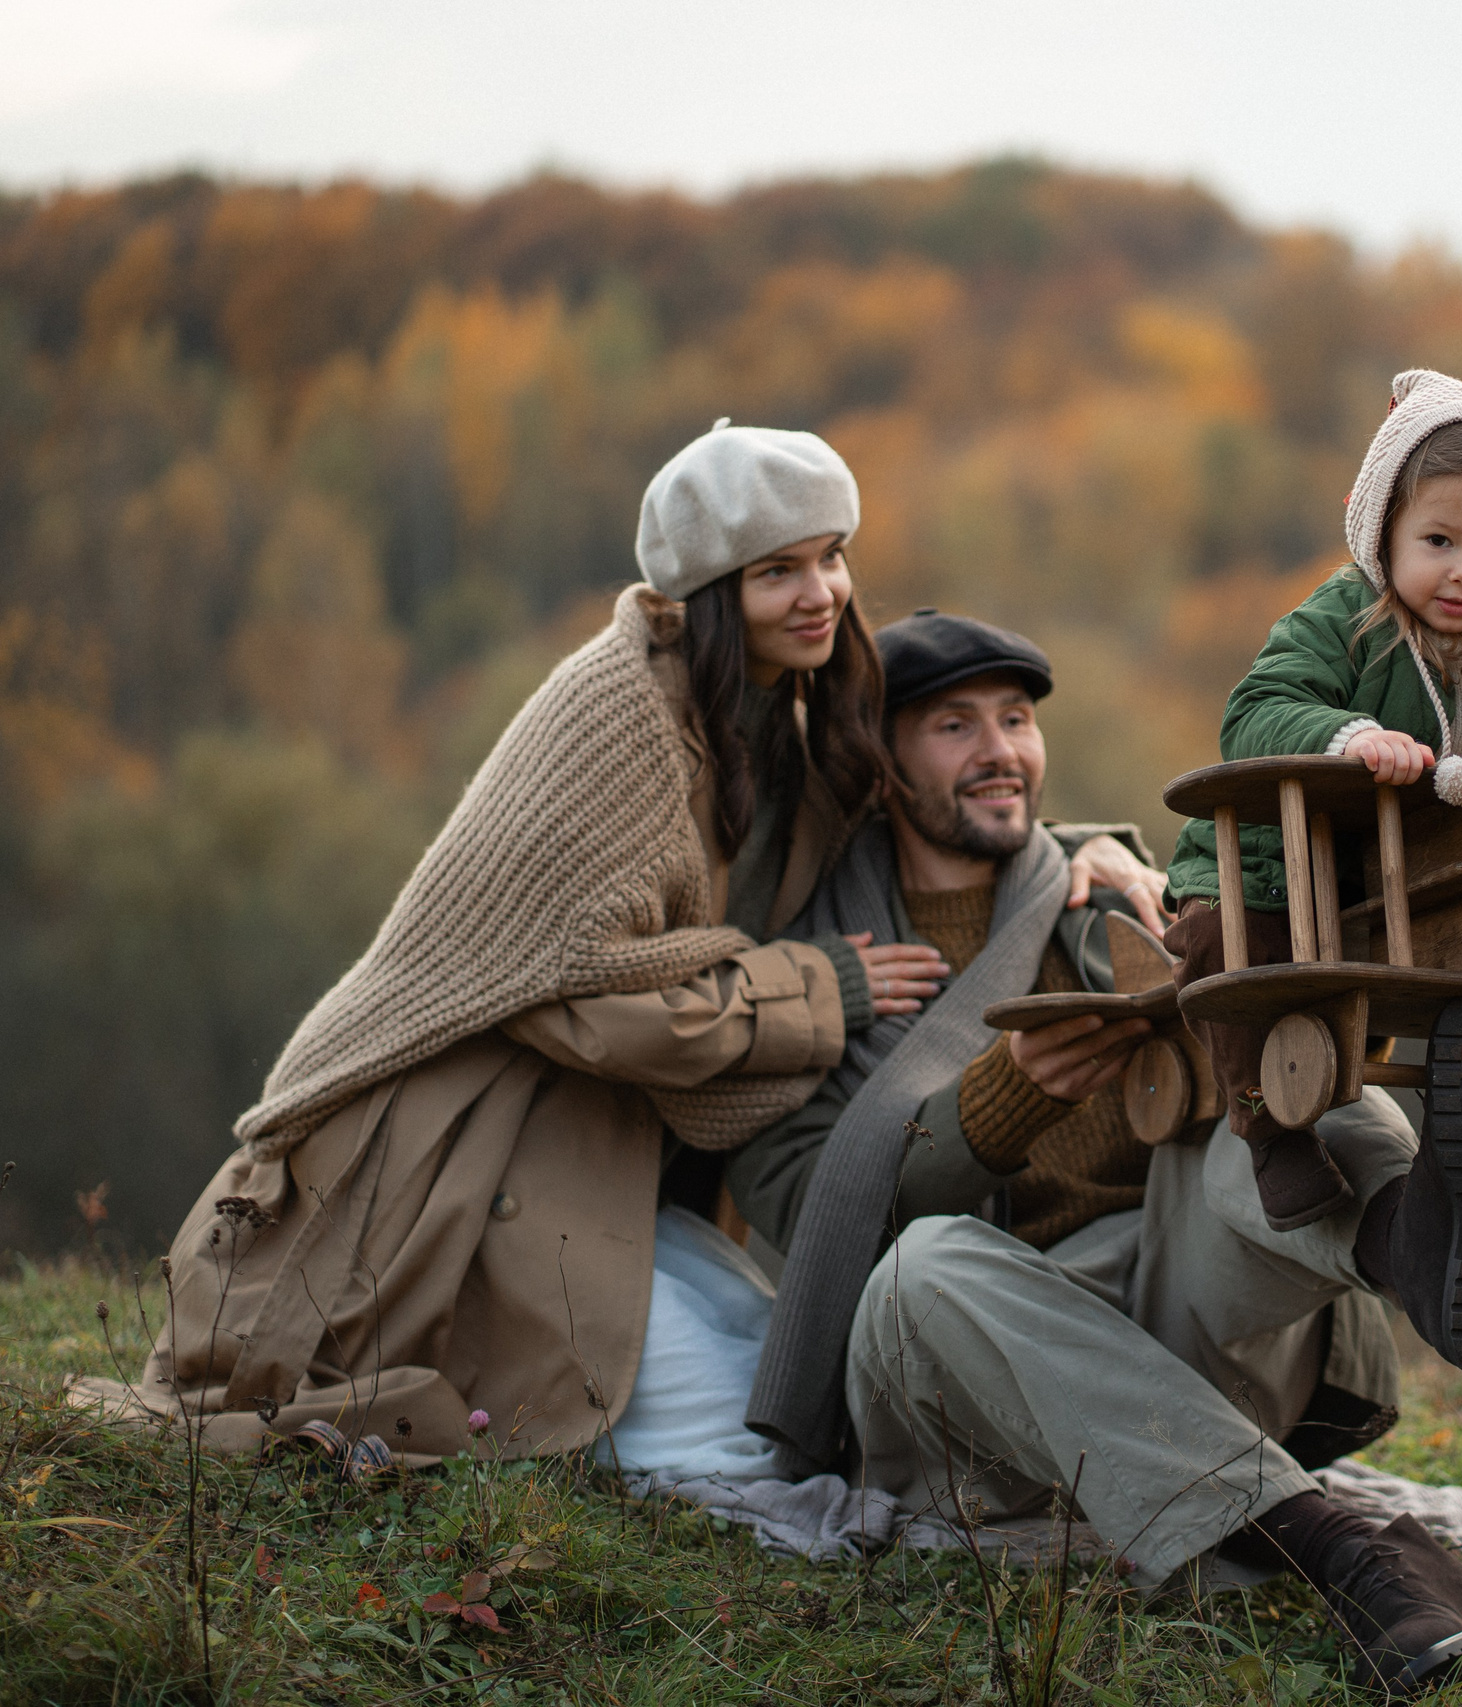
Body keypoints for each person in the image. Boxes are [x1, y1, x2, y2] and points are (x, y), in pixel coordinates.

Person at [115, 423, 1140, 1462]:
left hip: (595, 1155)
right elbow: (575, 985)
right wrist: (816, 988)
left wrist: (1074, 853)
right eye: (776, 570)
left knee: (782, 1388)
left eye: (831, 557)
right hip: (459, 1143)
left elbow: (935, 812)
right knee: (734, 1448)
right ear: (708, 589)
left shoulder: (772, 724)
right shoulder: (617, 713)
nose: (820, 592)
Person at [705, 609, 1462, 1695]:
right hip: (973, 1390)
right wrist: (998, 1106)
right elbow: (809, 1216)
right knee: (926, 1266)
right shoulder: (806, 974)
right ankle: (1336, 1546)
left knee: (1273, 1072)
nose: (1001, 750)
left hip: (1168, 1326)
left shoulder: (1110, 893)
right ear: (879, 766)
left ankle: (1416, 1236)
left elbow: (1248, 1083)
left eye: (1014, 719)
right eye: (953, 726)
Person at [1159, 369, 1462, 1381]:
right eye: (1438, 542)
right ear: (1383, 534)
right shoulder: (1346, 617)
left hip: (1382, 899)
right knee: (1232, 957)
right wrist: (1347, 735)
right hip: (1264, 871)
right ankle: (1267, 1130)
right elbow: (1254, 709)